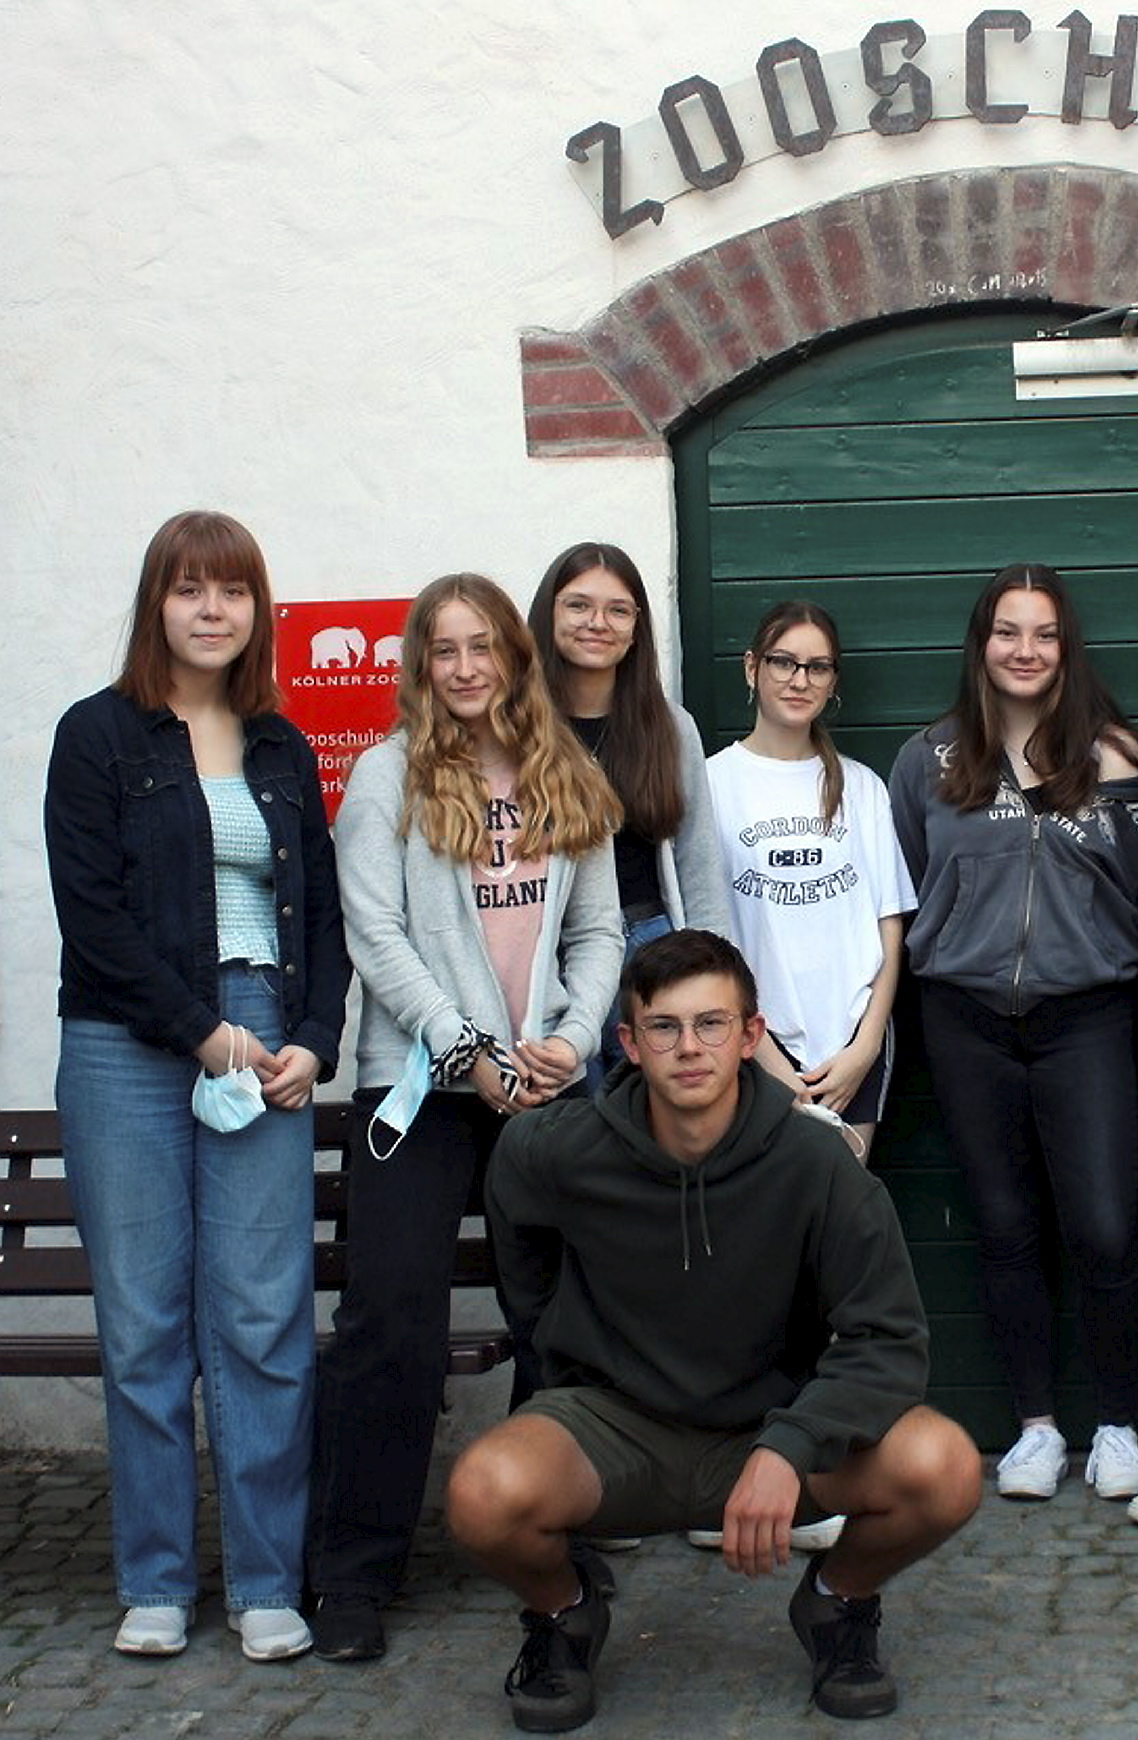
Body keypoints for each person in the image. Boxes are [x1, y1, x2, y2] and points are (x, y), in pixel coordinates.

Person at [445, 930, 980, 1733]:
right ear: (629, 1042)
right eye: (664, 1026)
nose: (689, 1047)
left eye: (711, 1024)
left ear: (750, 1036)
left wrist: (790, 1444)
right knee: (483, 1493)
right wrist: (560, 1343)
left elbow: (889, 1340)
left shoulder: (815, 1163)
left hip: (770, 1426)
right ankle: (564, 1616)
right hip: (614, 1429)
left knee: (944, 1466)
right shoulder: (559, 1148)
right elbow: (522, 1248)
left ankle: (838, 1603)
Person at [45, 510, 350, 1662]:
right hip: (127, 1044)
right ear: (156, 604)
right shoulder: (97, 735)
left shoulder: (279, 744)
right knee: (144, 1325)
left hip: (262, 1032)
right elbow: (94, 916)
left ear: (257, 611)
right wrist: (199, 1032)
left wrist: (311, 1038)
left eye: (232, 590)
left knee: (265, 1318)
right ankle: (159, 1580)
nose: (211, 609)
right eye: (188, 589)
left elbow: (321, 912)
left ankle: (267, 1583)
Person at [307, 573, 624, 1663]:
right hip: (422, 1092)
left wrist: (572, 1037)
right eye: (444, 650)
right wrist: (464, 1051)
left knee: (560, 1319)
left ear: (514, 658)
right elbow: (375, 934)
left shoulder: (565, 771)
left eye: (483, 646)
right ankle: (351, 1573)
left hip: (540, 1087)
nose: (466, 668)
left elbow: (598, 933)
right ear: (421, 666)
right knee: (390, 1325)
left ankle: (553, 1535)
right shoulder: (387, 774)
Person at [888, 563, 1138, 1505]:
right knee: (1004, 1228)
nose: (1026, 650)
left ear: (1066, 647)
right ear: (982, 642)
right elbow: (905, 891)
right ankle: (1036, 1429)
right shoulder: (927, 759)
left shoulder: (1116, 756)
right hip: (964, 1021)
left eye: (1044, 633)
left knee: (1105, 1228)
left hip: (1088, 1019)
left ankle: (1118, 1426)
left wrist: (1104, 978)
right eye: (1009, 631)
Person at [706, 601, 916, 1158]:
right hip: (752, 1042)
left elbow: (889, 926)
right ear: (751, 668)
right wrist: (763, 1054)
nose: (800, 680)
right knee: (762, 1199)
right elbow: (705, 937)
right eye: (784, 662)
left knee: (843, 1197)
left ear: (833, 681)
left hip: (851, 1043)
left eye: (817, 667)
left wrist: (866, 1045)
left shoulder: (862, 787)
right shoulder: (711, 784)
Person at [529, 541, 731, 1081]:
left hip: (653, 947)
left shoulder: (670, 727)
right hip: (551, 958)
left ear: (637, 626)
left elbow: (698, 863)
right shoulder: (516, 730)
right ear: (548, 612)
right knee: (575, 1117)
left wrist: (713, 974)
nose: (598, 623)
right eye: (578, 605)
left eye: (618, 610)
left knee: (660, 1116)